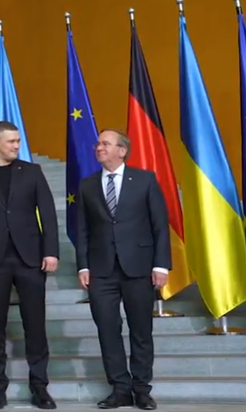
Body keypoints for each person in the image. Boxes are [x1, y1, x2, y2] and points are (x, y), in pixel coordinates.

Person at [0, 121, 59, 410]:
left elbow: (48, 214)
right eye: (11, 141)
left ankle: (40, 387)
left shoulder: (32, 171)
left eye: (18, 141)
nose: (17, 145)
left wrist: (51, 252)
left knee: (35, 325)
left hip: (30, 259)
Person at [76, 129, 169, 411]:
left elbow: (159, 225)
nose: (99, 147)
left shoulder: (145, 180)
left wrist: (161, 264)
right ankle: (119, 389)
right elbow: (82, 230)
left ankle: (142, 390)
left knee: (141, 330)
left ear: (122, 150)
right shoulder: (87, 185)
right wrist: (83, 265)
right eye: (98, 144)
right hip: (101, 270)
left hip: (139, 267)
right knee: (107, 329)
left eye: (106, 143)